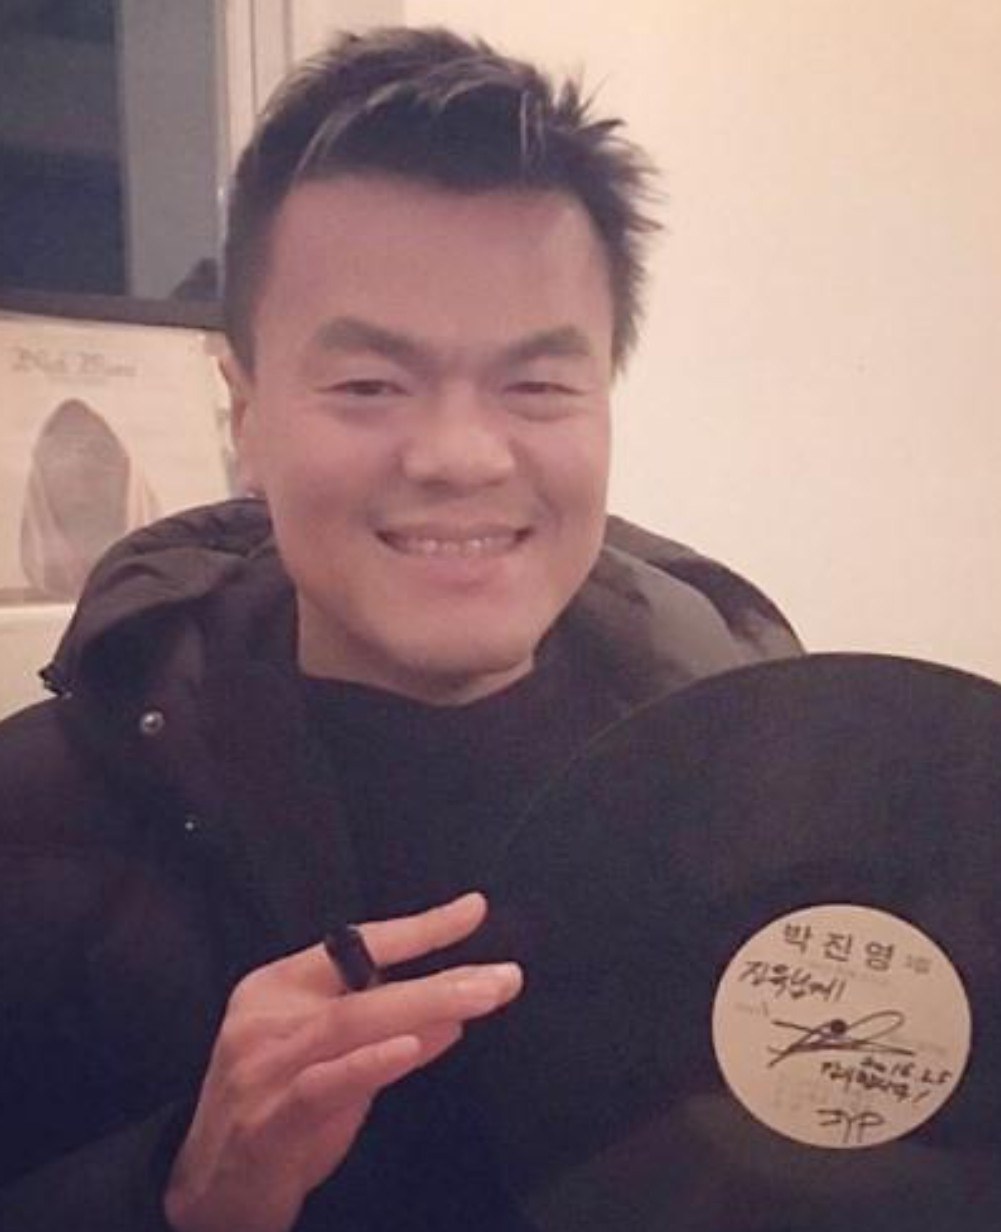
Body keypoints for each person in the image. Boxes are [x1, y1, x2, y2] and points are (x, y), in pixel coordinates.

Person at [0, 25, 801, 1232]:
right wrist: (180, 1193)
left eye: (536, 386)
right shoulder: (34, 817)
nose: (459, 456)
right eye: (369, 385)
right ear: (244, 413)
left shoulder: (767, 789)